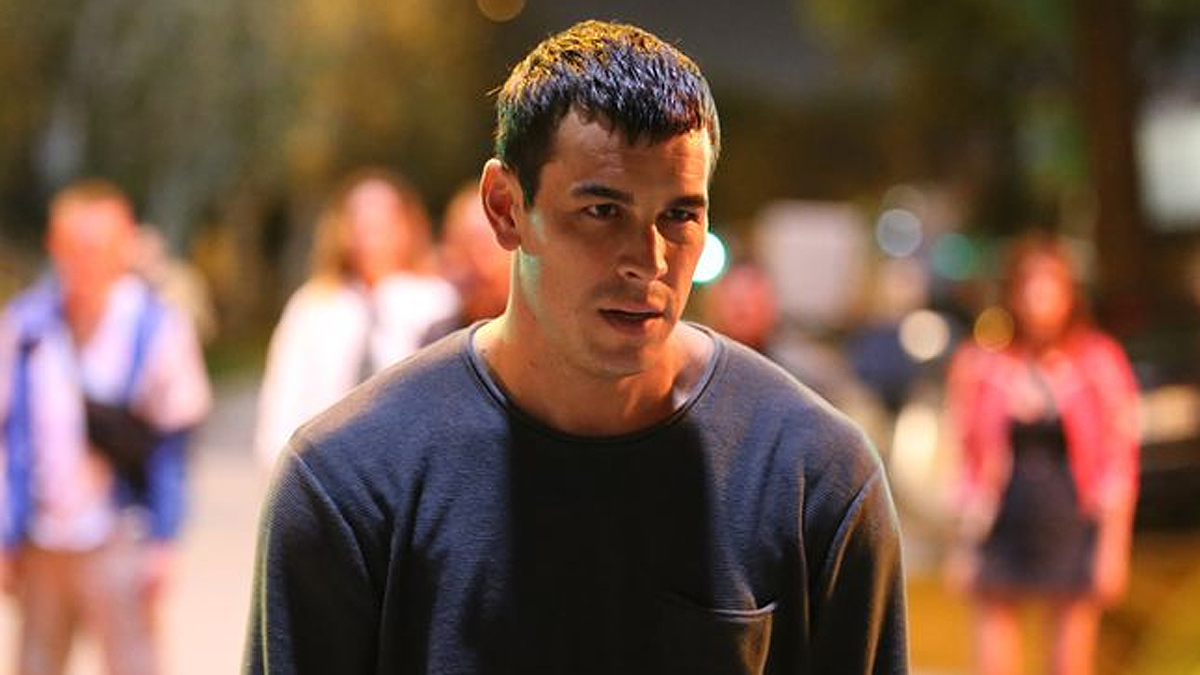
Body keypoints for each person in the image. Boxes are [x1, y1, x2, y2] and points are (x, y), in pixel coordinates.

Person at [244, 20, 908, 674]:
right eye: (603, 211)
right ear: (506, 208)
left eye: (679, 215)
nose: (648, 260)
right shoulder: (349, 484)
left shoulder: (813, 477)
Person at [0, 179, 212, 675]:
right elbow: (8, 433)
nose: (86, 260)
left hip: (120, 533)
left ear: (125, 247)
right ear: (54, 245)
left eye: (98, 247)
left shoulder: (155, 325)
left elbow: (173, 443)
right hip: (41, 539)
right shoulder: (27, 326)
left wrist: (165, 538)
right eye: (74, 247)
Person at [944, 233, 1139, 675]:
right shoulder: (984, 364)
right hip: (1002, 518)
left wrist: (1113, 545)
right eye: (1029, 288)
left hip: (1072, 518)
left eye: (1050, 288)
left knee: (1069, 657)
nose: (1039, 301)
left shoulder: (1098, 361)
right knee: (994, 654)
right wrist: (961, 542)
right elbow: (963, 454)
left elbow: (1119, 458)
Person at [252, 167, 460, 469]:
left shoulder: (436, 302)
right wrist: (281, 466)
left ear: (407, 227)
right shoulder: (313, 305)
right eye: (359, 222)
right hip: (325, 468)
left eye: (381, 223)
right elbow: (283, 395)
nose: (368, 236)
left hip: (405, 469)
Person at [420, 179, 513, 344]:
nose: (479, 264)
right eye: (465, 246)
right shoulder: (440, 339)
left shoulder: (545, 332)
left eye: (486, 247)